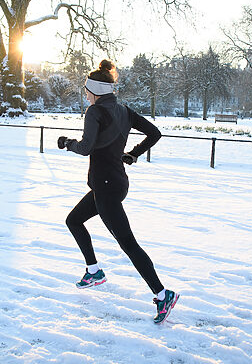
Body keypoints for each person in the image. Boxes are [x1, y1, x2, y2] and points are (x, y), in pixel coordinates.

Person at [57, 59, 179, 324]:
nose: (85, 95)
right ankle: (94, 271)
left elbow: (86, 147)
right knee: (73, 220)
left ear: (95, 91)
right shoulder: (124, 110)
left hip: (106, 188)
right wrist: (133, 154)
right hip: (115, 183)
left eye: (87, 90)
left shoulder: (95, 112)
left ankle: (162, 294)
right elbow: (154, 133)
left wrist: (67, 143)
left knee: (128, 244)